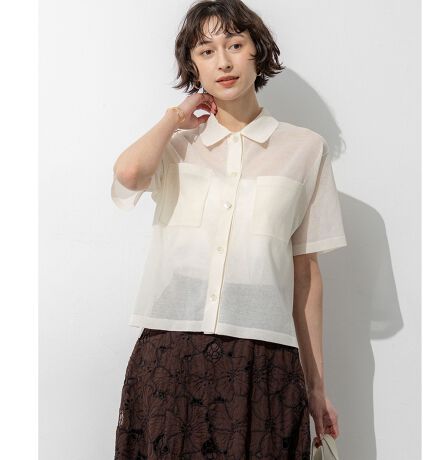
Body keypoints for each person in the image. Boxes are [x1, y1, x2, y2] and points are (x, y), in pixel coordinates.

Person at [111, 0, 347, 458]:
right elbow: (129, 175)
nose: (222, 62)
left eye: (235, 45)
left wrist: (317, 387)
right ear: (193, 66)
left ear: (258, 52)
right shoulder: (177, 147)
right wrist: (174, 118)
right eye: (206, 51)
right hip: (171, 353)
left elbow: (306, 274)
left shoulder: (305, 149)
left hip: (262, 359)